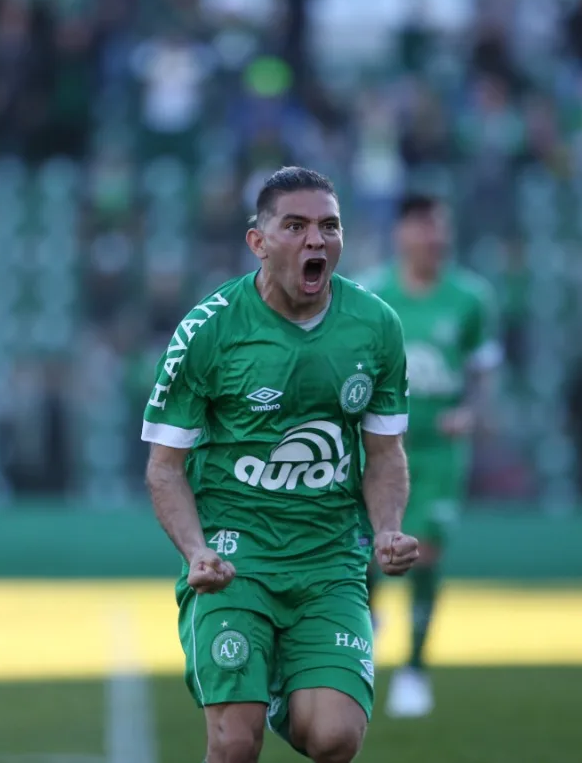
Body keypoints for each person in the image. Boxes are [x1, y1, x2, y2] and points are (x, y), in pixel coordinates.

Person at [141, 166, 419, 763]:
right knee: (235, 744)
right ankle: (255, 682)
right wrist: (195, 551)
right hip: (236, 557)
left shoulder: (376, 327)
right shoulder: (208, 330)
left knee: (336, 738)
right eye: (295, 226)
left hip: (330, 561)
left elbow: (385, 453)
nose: (316, 240)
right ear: (258, 242)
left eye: (329, 226)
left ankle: (272, 686)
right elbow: (164, 468)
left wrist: (388, 528)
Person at [359, 192, 502, 719]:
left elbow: (483, 371)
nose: (434, 237)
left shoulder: (470, 298)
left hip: (439, 449)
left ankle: (416, 670)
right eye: (423, 226)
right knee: (372, 548)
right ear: (402, 233)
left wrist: (472, 410)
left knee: (426, 551)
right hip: (380, 444)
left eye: (440, 227)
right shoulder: (373, 294)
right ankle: (367, 622)